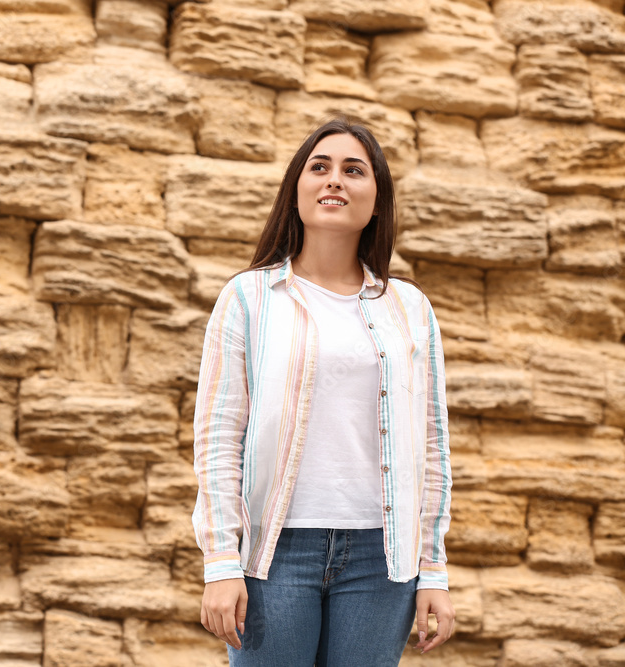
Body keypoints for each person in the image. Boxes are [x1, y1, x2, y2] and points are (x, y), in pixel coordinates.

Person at [191, 116, 455, 666]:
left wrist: (432, 570)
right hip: (276, 552)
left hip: (383, 561)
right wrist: (220, 561)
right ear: (298, 189)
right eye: (320, 167)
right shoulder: (249, 297)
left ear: (376, 200)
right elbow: (219, 438)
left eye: (354, 170)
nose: (335, 179)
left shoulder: (410, 310)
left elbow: (431, 450)